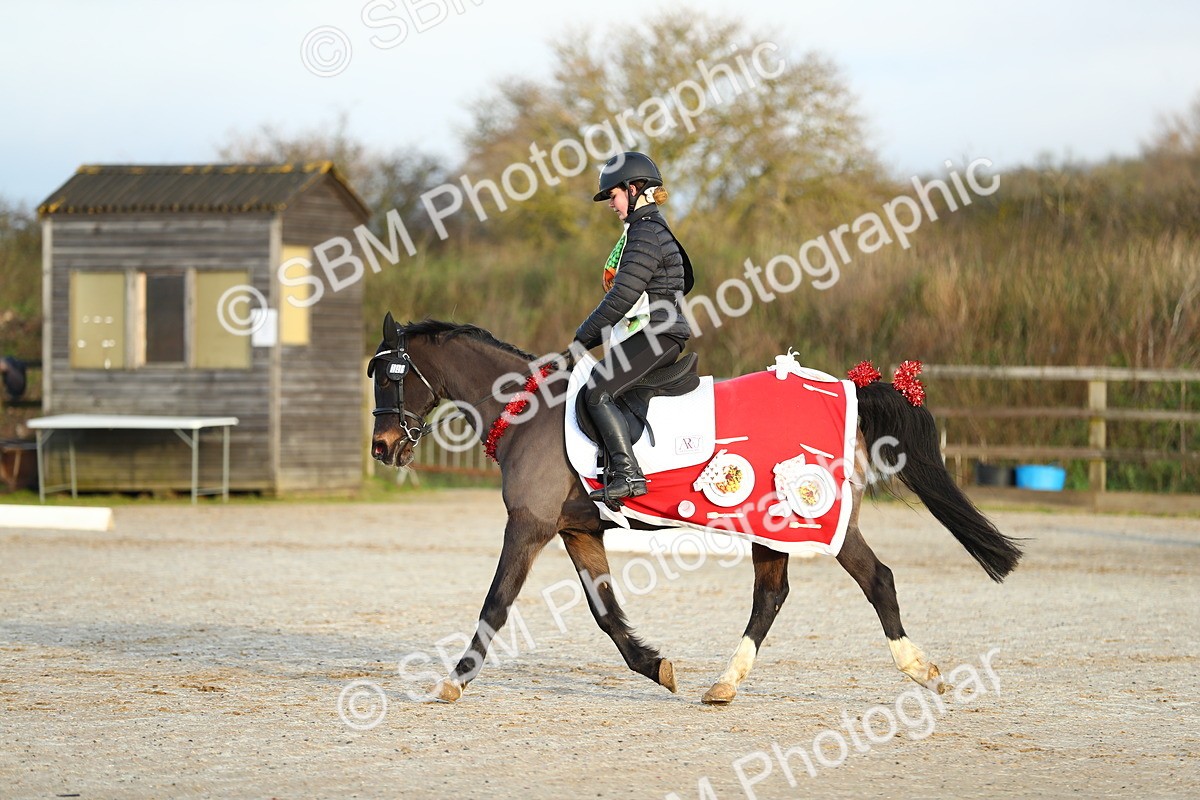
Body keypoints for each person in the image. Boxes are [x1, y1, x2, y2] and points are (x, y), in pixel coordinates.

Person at [573, 152, 694, 503]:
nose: (611, 204)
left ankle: (628, 475)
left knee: (597, 390)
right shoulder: (641, 231)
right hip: (652, 332)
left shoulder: (646, 233)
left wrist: (581, 339)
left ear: (633, 188)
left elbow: (622, 296)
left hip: (659, 335)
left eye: (612, 195)